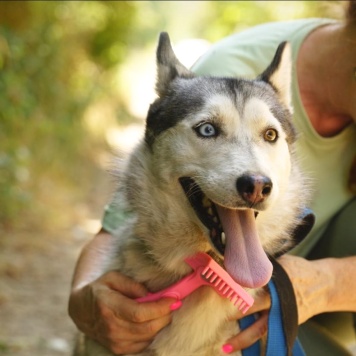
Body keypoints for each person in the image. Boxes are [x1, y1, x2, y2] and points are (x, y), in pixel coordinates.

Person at [68, 1, 356, 355]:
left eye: (269, 136)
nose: (255, 178)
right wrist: (84, 302)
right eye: (208, 129)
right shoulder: (228, 71)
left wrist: (325, 284)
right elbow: (112, 231)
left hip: (304, 304)